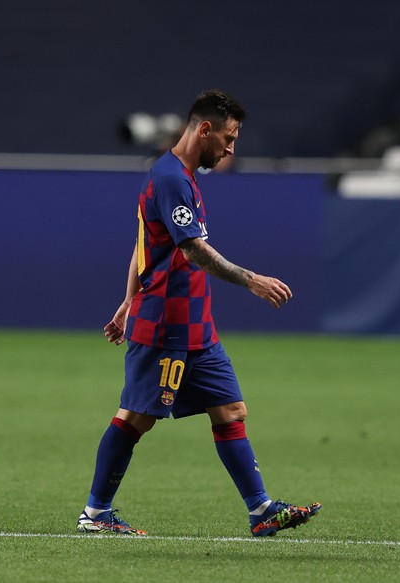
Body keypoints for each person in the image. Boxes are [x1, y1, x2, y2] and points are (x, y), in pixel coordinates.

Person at [76, 89, 320, 537]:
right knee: (137, 417)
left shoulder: (181, 177)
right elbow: (192, 249)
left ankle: (260, 509)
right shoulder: (171, 177)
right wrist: (252, 280)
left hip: (196, 326)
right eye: (228, 138)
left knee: (231, 409)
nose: (231, 149)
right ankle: (95, 513)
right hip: (167, 323)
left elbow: (145, 245)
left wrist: (127, 300)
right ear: (204, 129)